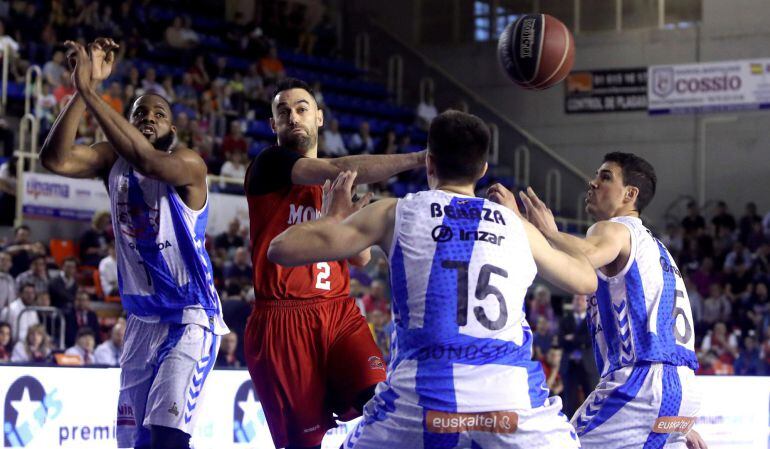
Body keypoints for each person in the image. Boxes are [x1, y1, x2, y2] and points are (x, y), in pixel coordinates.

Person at [267, 110, 597, 448]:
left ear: (429, 164)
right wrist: (546, 231)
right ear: (483, 169)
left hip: (418, 405)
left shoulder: (394, 212)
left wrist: (333, 216)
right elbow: (587, 281)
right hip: (513, 407)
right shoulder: (515, 225)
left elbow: (280, 249)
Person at [39, 38, 228, 449]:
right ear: (126, 120)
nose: (148, 118)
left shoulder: (188, 164)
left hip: (189, 318)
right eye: (140, 112)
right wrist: (78, 92)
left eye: (159, 114)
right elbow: (54, 161)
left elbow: (148, 160)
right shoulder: (111, 159)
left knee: (166, 435)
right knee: (134, 443)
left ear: (172, 129)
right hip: (141, 323)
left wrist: (92, 91)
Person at [243, 77, 430, 449]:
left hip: (338, 311)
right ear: (273, 125)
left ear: (319, 118)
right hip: (284, 320)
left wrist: (346, 222)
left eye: (301, 109)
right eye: (283, 112)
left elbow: (359, 257)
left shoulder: (337, 184)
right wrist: (420, 159)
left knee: (382, 403)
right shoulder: (270, 164)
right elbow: (342, 166)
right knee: (305, 445)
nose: (293, 117)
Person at [520, 152, 707, 449]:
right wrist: (668, 416)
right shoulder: (658, 248)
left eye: (605, 177)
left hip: (640, 382)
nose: (592, 183)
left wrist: (546, 231)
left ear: (629, 194)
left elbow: (584, 255)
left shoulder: (614, 229)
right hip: (681, 393)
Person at [558, 294, 599, 417]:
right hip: (569, 367)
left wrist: (572, 338)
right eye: (576, 299)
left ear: (587, 303)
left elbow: (590, 340)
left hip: (588, 366)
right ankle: (567, 430)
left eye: (582, 299)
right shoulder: (564, 320)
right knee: (568, 401)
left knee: (591, 400)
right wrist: (579, 340)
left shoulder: (592, 319)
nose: (579, 302)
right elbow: (561, 341)